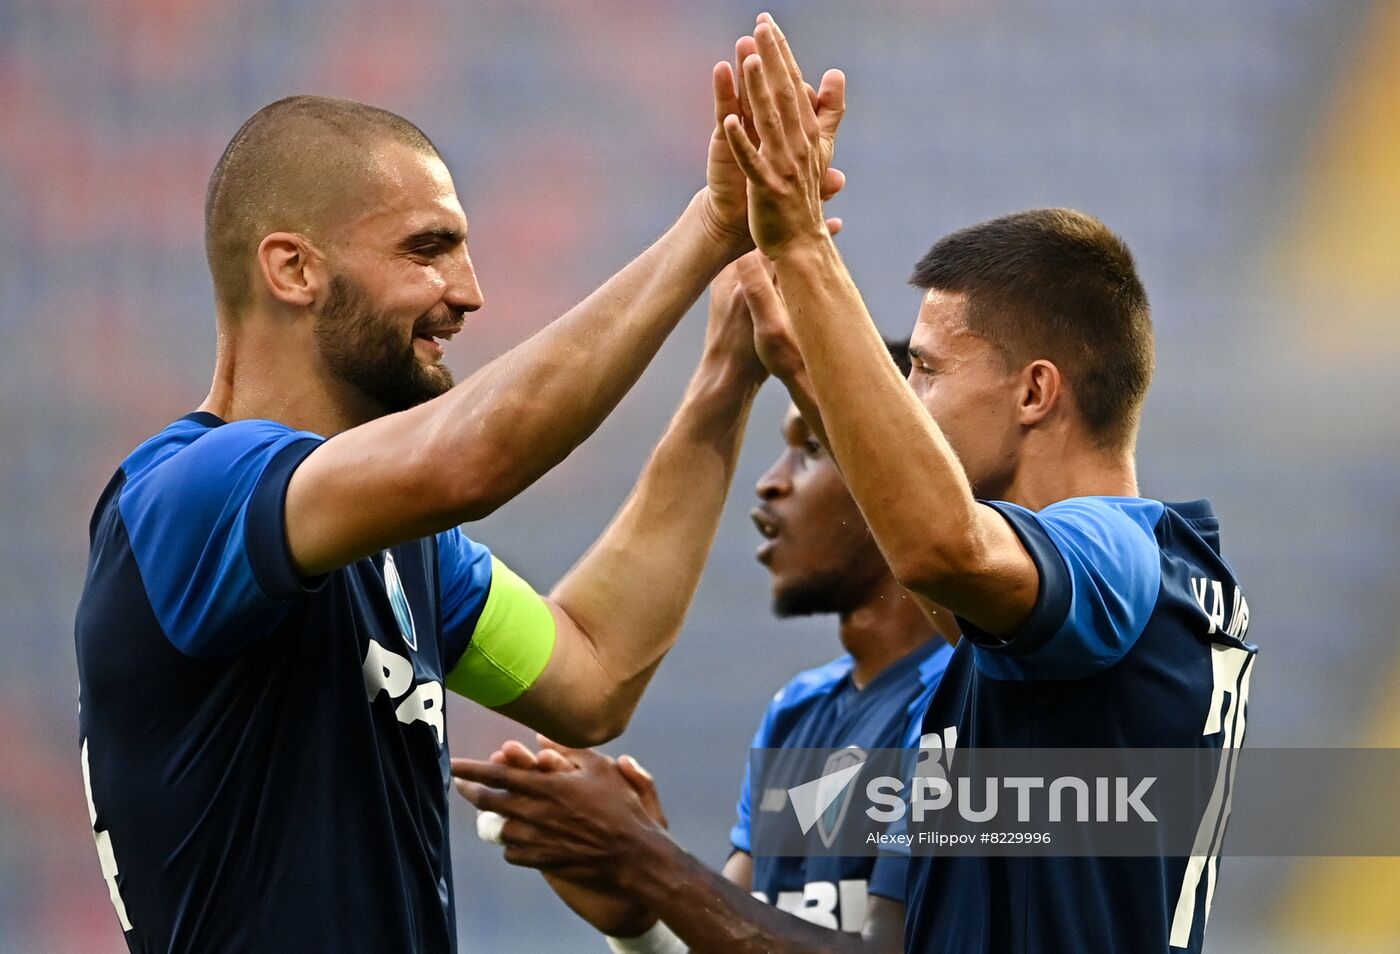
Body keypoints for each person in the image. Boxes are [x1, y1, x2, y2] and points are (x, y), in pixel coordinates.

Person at [73, 65, 847, 954]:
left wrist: (724, 376)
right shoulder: (191, 492)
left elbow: (593, 674)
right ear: (293, 269)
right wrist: (707, 228)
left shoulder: (401, 549)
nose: (470, 291)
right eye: (427, 249)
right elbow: (471, 458)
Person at [712, 13, 1258, 953]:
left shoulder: (1116, 556)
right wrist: (814, 359)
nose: (909, 397)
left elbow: (941, 548)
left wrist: (803, 244)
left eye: (925, 370)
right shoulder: (1141, 580)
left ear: (1036, 391)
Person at [454, 332, 956, 953]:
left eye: (814, 449)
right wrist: (638, 921)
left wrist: (645, 857)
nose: (771, 484)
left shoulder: (972, 701)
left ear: (908, 480)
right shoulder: (801, 710)